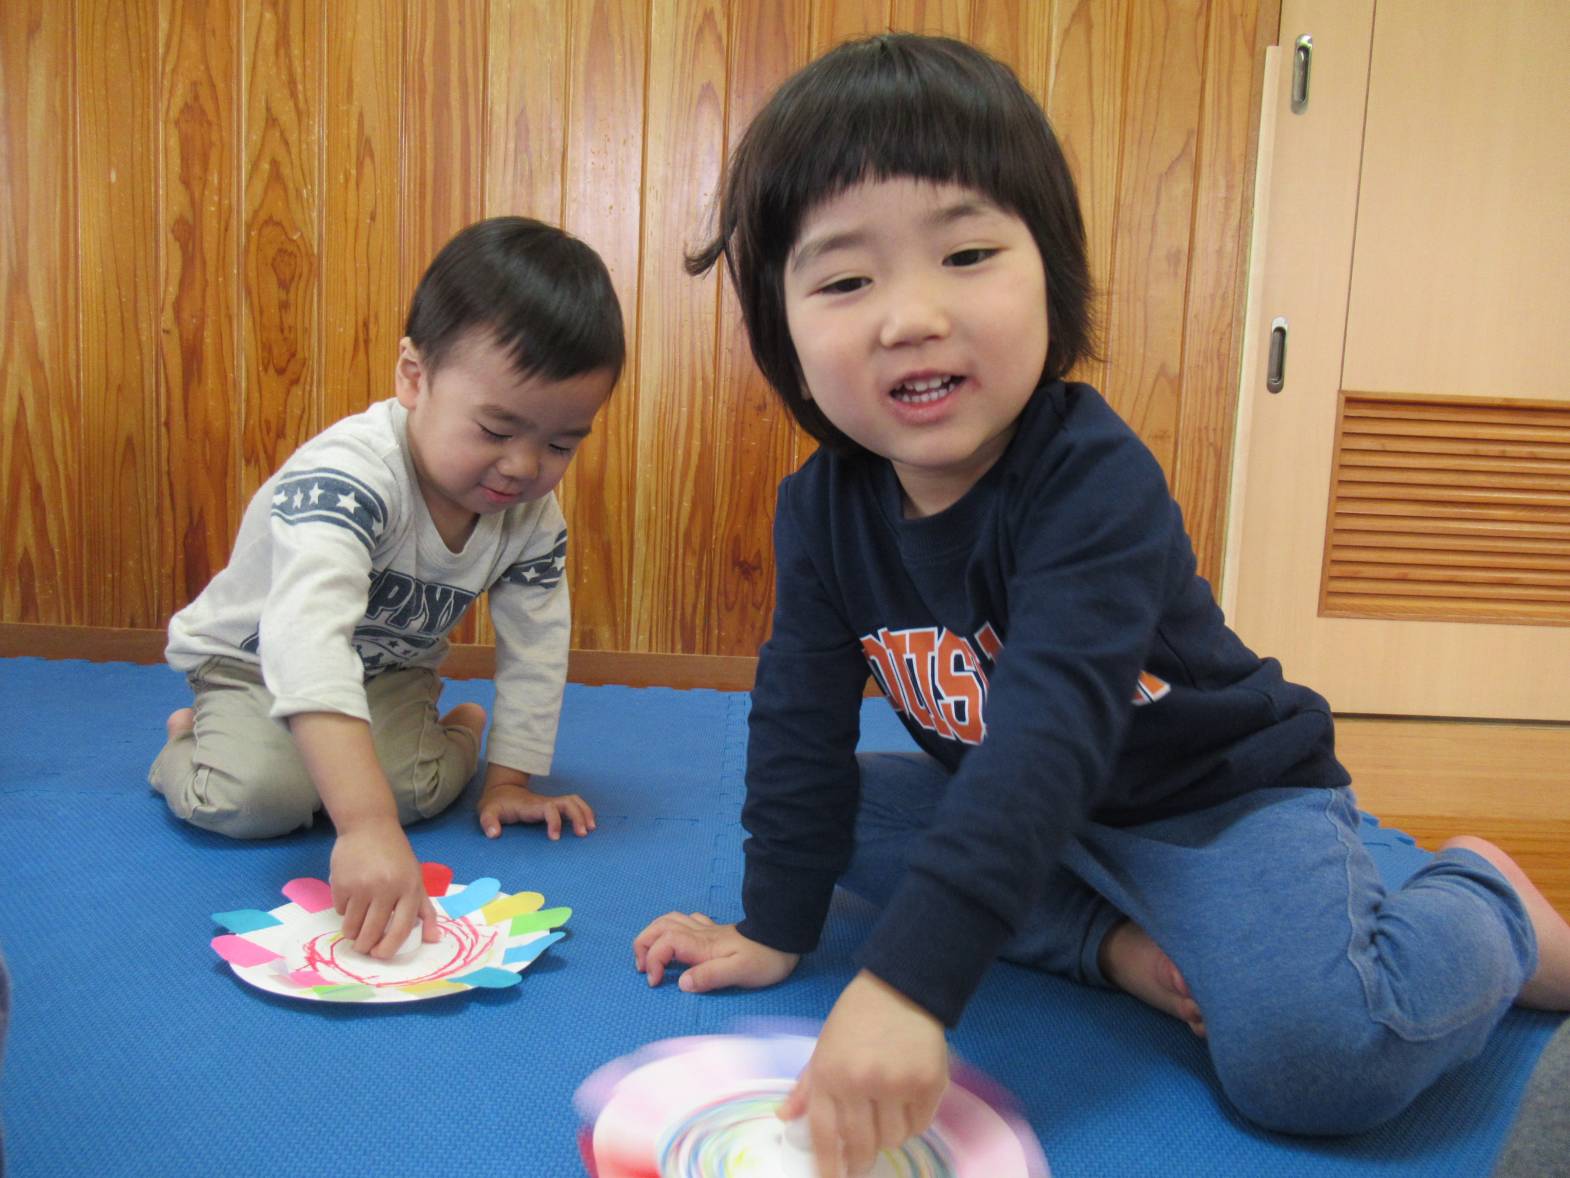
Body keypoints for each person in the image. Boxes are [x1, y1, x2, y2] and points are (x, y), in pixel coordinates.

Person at [633, 33, 1570, 1178]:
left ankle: (1485, 898)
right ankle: (1112, 944)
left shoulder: (1091, 474)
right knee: (839, 817)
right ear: (779, 328)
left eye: (966, 253)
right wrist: (775, 927)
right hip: (1033, 814)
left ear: (1053, 275)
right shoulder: (820, 508)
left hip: (1215, 805)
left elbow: (1050, 730)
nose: (910, 315)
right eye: (843, 281)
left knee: (1317, 1060)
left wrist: (909, 986)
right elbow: (798, 716)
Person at [150, 216, 623, 959]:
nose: (525, 467)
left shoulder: (532, 516)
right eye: (496, 430)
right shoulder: (348, 477)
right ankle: (190, 740)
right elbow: (305, 642)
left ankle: (457, 727)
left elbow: (537, 646)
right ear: (414, 376)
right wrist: (364, 828)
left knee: (419, 795)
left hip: (388, 672)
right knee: (253, 801)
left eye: (561, 443)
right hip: (255, 661)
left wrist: (507, 780)